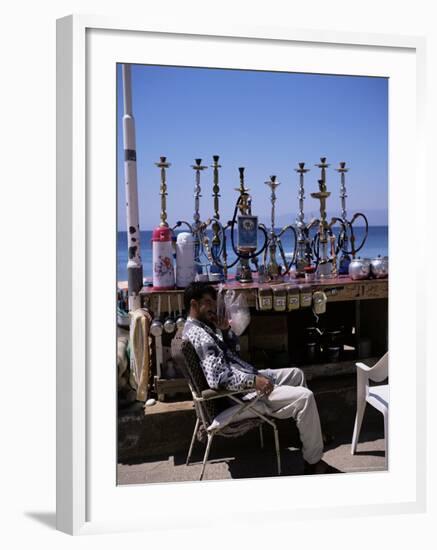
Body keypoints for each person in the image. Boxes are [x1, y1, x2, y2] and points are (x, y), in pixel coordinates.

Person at [182, 281, 329, 474]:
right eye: (208, 302)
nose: (213, 308)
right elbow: (218, 379)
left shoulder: (203, 328)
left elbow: (232, 355)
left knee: (296, 374)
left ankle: (304, 437)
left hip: (245, 378)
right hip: (241, 396)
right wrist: (254, 382)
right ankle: (313, 462)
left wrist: (226, 331)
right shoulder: (199, 335)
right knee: (305, 397)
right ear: (194, 305)